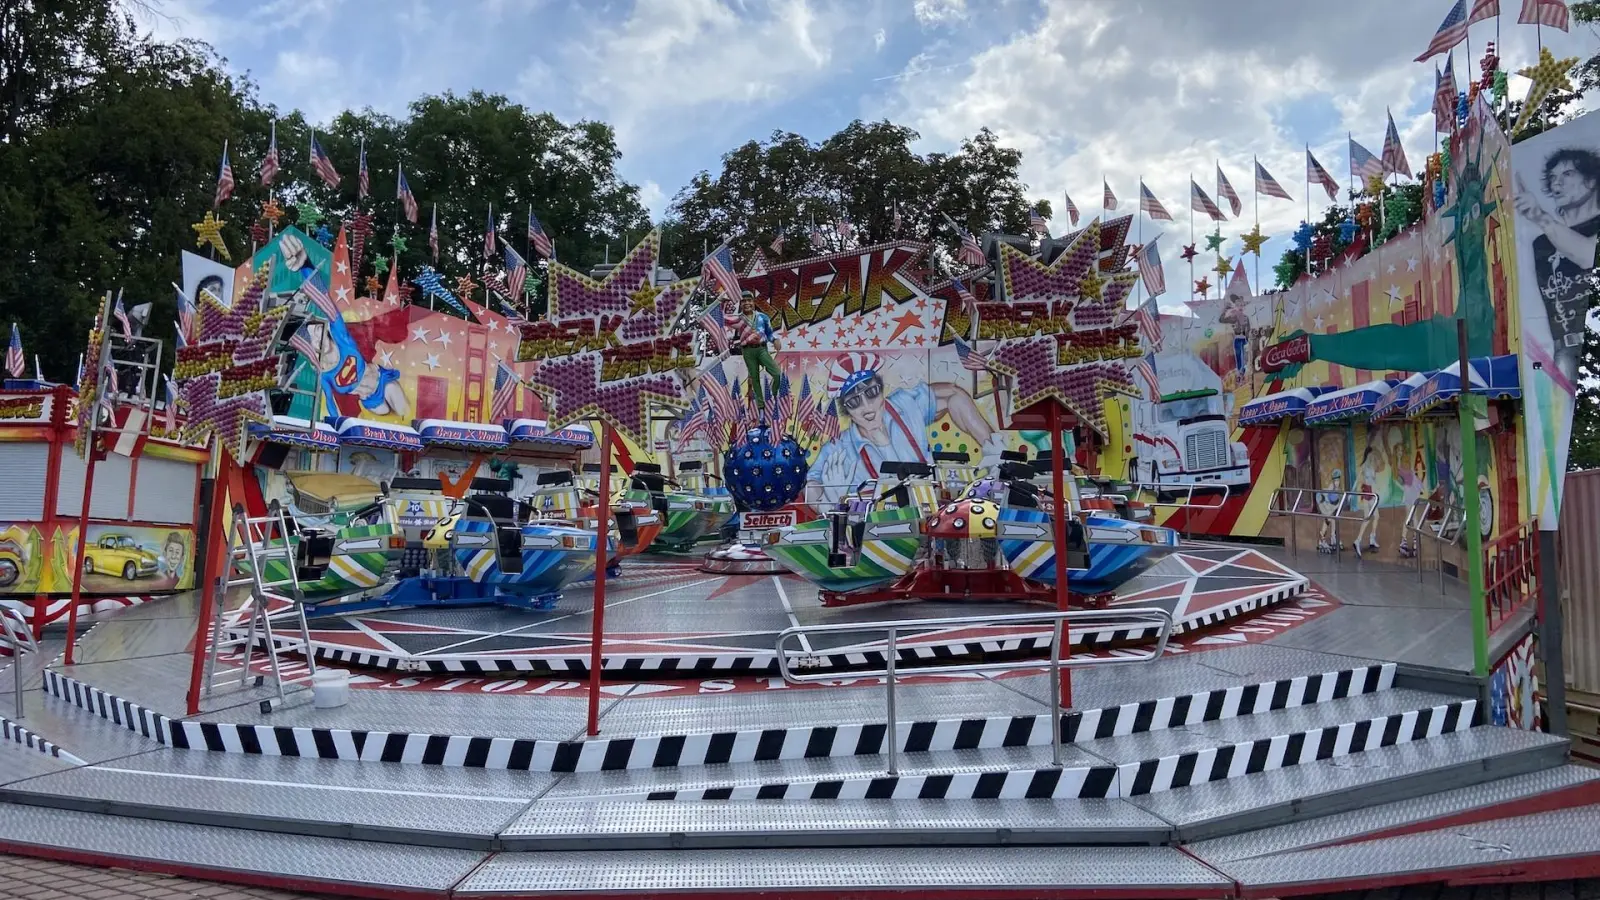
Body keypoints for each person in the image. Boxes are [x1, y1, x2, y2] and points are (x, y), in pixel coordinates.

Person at [805, 352, 1002, 506]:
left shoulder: (905, 405)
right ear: (846, 409)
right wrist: (828, 501)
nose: (867, 407)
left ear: (881, 389)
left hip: (930, 509)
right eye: (854, 401)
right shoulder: (839, 447)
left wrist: (995, 451)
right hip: (881, 529)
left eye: (871, 392)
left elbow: (953, 394)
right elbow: (811, 485)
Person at [1515, 148, 1600, 376]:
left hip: (1586, 343)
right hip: (1560, 351)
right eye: (1552, 177)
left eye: (1568, 174)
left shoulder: (1593, 230)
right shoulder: (1541, 243)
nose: (1557, 183)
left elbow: (1586, 255)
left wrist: (1540, 217)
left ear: (1591, 180)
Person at [723, 291, 783, 415]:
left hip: (761, 349)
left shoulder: (763, 317)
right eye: (744, 301)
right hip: (748, 351)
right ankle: (761, 407)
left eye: (749, 300)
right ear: (740, 304)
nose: (747, 303)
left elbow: (769, 333)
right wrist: (721, 303)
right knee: (754, 378)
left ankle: (773, 395)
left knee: (777, 373)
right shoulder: (739, 319)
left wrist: (775, 340)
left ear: (753, 302)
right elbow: (723, 319)